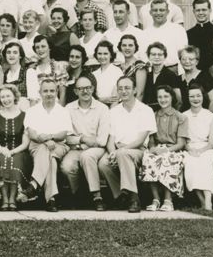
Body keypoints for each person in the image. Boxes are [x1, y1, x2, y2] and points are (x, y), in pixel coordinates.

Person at [98, 75, 157, 213]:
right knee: (103, 163)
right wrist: (113, 151)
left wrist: (121, 150)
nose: (123, 91)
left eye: (127, 88)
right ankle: (120, 196)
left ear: (135, 90)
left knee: (123, 154)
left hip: (138, 150)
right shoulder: (113, 112)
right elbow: (110, 138)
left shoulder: (145, 110)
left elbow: (141, 140)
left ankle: (133, 197)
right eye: (120, 89)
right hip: (118, 149)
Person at [61, 74, 110, 210]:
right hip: (76, 148)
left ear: (93, 89)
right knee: (67, 166)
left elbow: (102, 139)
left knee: (87, 156)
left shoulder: (103, 108)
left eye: (88, 88)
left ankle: (97, 196)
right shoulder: (68, 109)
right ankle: (78, 194)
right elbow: (65, 137)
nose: (85, 91)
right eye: (81, 88)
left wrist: (82, 142)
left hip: (97, 149)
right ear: (75, 91)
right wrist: (82, 139)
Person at [24, 77, 73, 212]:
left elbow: (63, 134)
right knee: (50, 157)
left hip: (59, 146)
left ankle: (34, 184)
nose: (49, 93)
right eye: (45, 91)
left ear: (57, 91)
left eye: (52, 90)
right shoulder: (32, 111)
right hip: (37, 145)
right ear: (39, 92)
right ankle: (51, 199)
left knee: (50, 152)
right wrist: (45, 141)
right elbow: (32, 134)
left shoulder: (63, 111)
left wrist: (50, 137)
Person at [140, 86, 189, 211]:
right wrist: (153, 149)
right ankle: (156, 199)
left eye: (166, 96)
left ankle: (168, 200)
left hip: (174, 149)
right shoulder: (154, 116)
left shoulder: (181, 117)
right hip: (157, 148)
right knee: (148, 158)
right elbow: (151, 140)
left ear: (172, 97)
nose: (163, 99)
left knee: (167, 159)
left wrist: (167, 150)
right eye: (160, 97)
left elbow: (181, 143)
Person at [0, 83, 31, 211]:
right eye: (2, 97)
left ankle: (13, 198)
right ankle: (4, 198)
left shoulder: (24, 115)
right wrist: (2, 150)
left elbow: (25, 143)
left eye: (8, 96)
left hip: (19, 150)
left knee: (14, 160)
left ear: (15, 96)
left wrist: (12, 151)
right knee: (2, 160)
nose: (5, 99)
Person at [182, 83, 213, 211]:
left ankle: (208, 201)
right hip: (189, 148)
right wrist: (190, 150)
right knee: (190, 164)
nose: (195, 99)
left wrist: (201, 151)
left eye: (198, 95)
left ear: (203, 97)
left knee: (204, 162)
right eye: (192, 96)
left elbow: (211, 142)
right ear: (188, 98)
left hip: (206, 148)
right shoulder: (183, 116)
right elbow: (182, 140)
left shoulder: (211, 116)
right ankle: (201, 200)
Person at [142, 0, 188, 67]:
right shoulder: (145, 33)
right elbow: (143, 55)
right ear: (150, 12)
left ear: (167, 12)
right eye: (155, 10)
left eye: (162, 10)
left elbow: (183, 54)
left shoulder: (178, 29)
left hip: (173, 70)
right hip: (151, 71)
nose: (158, 13)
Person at [186, 0, 213, 71]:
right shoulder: (188, 34)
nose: (201, 13)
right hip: (196, 76)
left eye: (204, 10)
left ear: (210, 11)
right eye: (198, 10)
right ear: (194, 12)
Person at [142, 42, 183, 111]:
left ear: (165, 57)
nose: (156, 57)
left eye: (160, 54)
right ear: (149, 57)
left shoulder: (171, 75)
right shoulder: (147, 76)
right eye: (153, 54)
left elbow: (178, 102)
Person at [176, 45, 213, 112]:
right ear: (180, 61)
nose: (187, 61)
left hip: (203, 117)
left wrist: (208, 118)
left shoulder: (205, 76)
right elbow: (179, 104)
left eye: (191, 59)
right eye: (183, 59)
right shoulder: (177, 79)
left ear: (197, 61)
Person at [90, 40, 123, 106]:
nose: (102, 57)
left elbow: (115, 99)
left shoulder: (117, 71)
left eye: (105, 53)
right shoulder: (94, 74)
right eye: (99, 53)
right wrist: (101, 100)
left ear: (111, 55)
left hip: (113, 107)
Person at [117, 34, 148, 100]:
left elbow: (140, 93)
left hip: (134, 104)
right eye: (124, 45)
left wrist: (134, 109)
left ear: (135, 47)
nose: (127, 48)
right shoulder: (119, 66)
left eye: (130, 45)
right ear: (120, 47)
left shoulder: (139, 65)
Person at [1, 41, 31, 109]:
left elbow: (33, 100)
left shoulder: (28, 72)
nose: (11, 55)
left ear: (20, 56)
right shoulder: (4, 75)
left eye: (15, 52)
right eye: (8, 52)